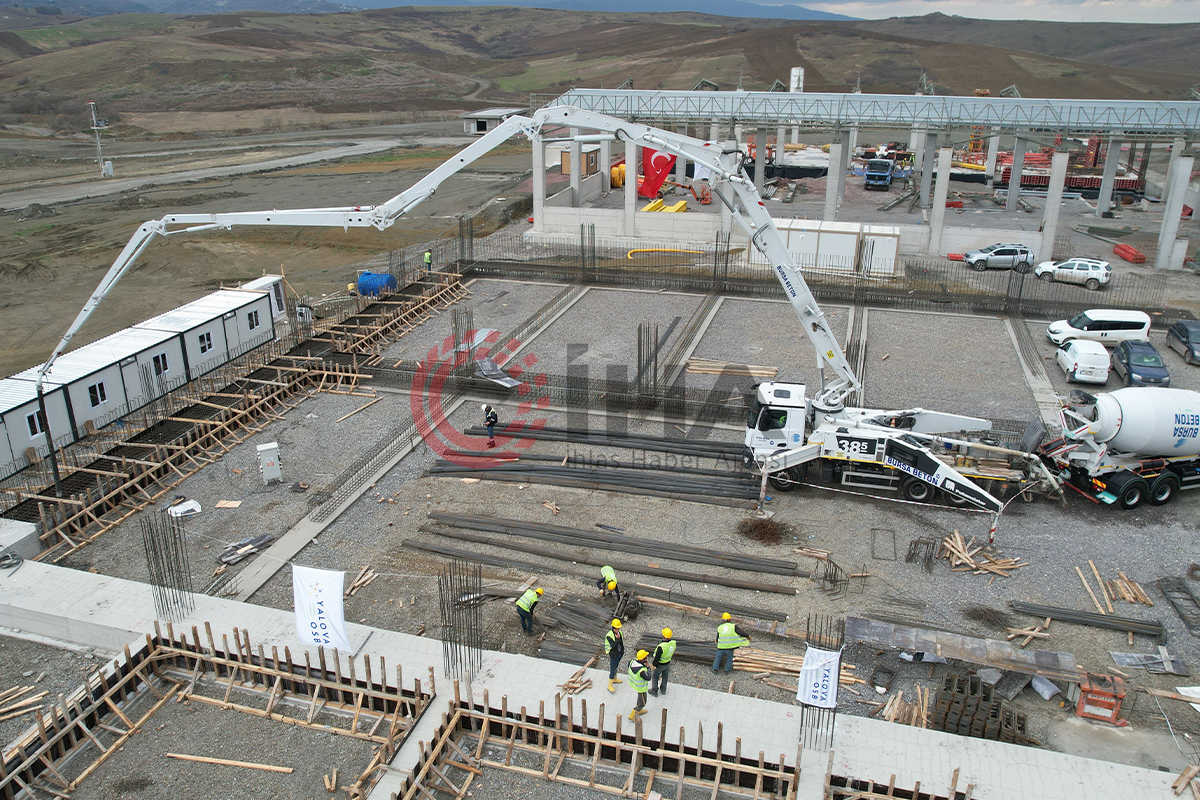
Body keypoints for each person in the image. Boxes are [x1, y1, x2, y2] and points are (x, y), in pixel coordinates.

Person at [648, 628, 675, 697]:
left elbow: (657, 658)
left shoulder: (661, 647)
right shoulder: (673, 643)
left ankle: (654, 691)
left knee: (655, 676)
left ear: (664, 637)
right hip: (667, 663)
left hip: (660, 664)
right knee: (665, 676)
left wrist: (654, 665)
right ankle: (663, 689)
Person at [627, 649, 651, 720]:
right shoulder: (641, 671)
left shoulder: (632, 662)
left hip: (634, 684)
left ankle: (638, 710)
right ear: (642, 660)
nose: (647, 659)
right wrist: (648, 668)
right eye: (645, 658)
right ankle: (633, 715)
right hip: (641, 688)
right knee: (642, 702)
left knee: (640, 699)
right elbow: (648, 677)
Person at [604, 618, 625, 693]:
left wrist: (622, 651)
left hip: (619, 653)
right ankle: (610, 684)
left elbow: (621, 643)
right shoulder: (609, 636)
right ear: (613, 628)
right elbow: (613, 646)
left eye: (619, 628)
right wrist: (617, 639)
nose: (618, 630)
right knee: (613, 669)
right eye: (617, 629)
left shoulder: (620, 633)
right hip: (613, 654)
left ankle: (615, 678)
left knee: (616, 666)